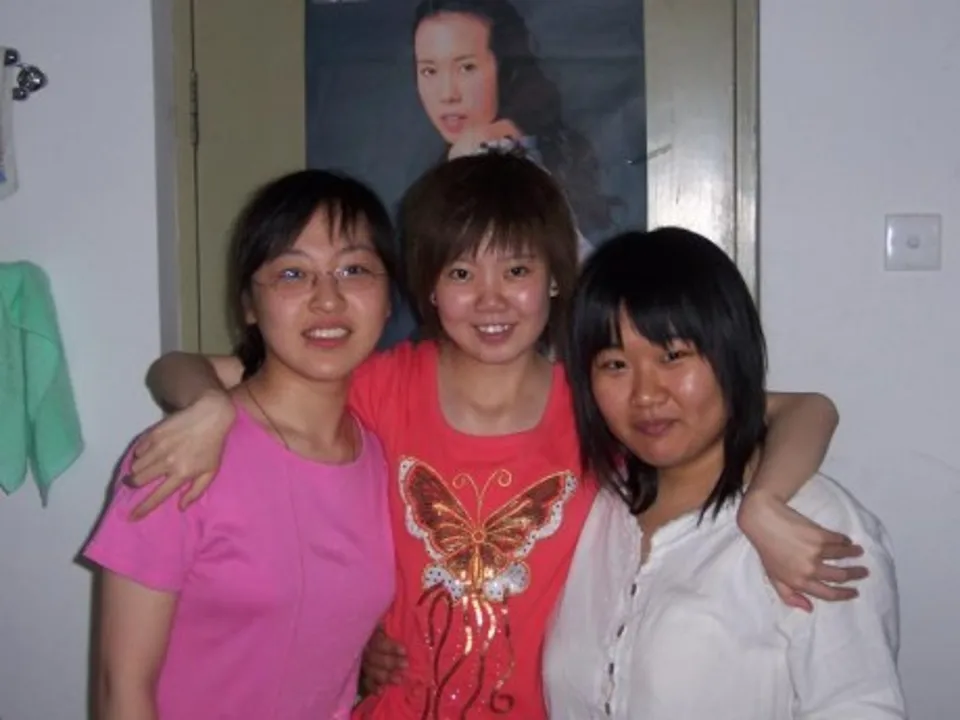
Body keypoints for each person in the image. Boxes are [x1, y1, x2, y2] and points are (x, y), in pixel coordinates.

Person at [126, 153, 861, 720]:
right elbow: (182, 367)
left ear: (553, 279)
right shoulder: (378, 386)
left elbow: (807, 409)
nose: (490, 300)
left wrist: (764, 503)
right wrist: (207, 408)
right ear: (428, 285)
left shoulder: (596, 401)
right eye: (460, 271)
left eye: (516, 269)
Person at [543, 227, 906, 719]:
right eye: (615, 365)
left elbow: (859, 706)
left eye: (673, 356)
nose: (645, 394)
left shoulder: (815, 521)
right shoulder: (598, 507)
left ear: (730, 353)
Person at [84, 170, 398, 719]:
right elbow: (121, 689)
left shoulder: (378, 452)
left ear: (388, 296)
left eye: (353, 270)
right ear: (250, 306)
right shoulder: (179, 456)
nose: (328, 299)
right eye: (293, 274)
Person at [411, 0, 617, 250]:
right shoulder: (461, 162)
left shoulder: (517, 165)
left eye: (466, 68)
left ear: (506, 70)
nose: (447, 94)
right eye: (429, 71)